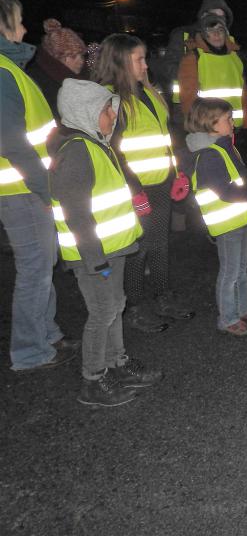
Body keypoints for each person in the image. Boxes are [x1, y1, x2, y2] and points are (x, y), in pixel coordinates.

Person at [49, 79, 163, 405]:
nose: (113, 116)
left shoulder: (98, 145)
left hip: (111, 249)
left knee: (116, 306)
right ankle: (93, 379)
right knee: (102, 312)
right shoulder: (78, 152)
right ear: (85, 112)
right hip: (94, 254)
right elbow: (77, 213)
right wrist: (94, 258)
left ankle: (118, 362)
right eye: (106, 110)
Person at [92, 34, 195, 333]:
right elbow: (111, 149)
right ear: (120, 62)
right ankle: (134, 306)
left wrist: (178, 171)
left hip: (160, 182)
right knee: (137, 250)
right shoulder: (110, 99)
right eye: (139, 59)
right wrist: (134, 189)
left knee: (159, 245)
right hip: (134, 189)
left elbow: (166, 137)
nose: (145, 64)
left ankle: (163, 296)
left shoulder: (148, 93)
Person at [0, 0, 77, 371]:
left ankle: (46, 334)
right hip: (23, 191)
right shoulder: (2, 72)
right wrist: (45, 189)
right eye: (18, 21)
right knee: (35, 269)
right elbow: (12, 142)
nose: (24, 28)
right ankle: (30, 351)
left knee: (42, 266)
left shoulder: (10, 69)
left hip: (27, 188)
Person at [184, 98, 247, 337]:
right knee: (230, 271)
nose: (233, 122)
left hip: (238, 217)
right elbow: (227, 190)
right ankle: (228, 317)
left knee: (241, 267)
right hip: (226, 221)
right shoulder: (210, 155)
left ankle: (243, 307)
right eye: (228, 119)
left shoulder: (224, 146)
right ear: (211, 124)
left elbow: (241, 175)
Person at [176, 11, 247, 169]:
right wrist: (197, 129)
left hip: (236, 131)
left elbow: (243, 93)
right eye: (211, 31)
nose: (216, 35)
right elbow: (187, 98)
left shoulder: (234, 57)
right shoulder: (194, 58)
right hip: (209, 133)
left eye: (220, 30)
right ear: (203, 34)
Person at [26, 18, 87, 119]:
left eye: (81, 55)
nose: (80, 61)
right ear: (56, 58)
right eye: (72, 56)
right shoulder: (39, 82)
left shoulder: (84, 79)